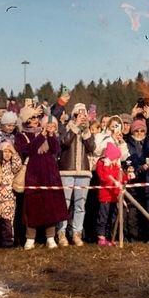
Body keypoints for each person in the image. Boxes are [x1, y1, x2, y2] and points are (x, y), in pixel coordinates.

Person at [15, 109, 68, 250]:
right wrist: (41, 137)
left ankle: (50, 237)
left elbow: (55, 149)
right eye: (32, 119)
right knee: (32, 206)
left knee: (50, 206)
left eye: (37, 118)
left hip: (50, 175)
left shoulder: (45, 132)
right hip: (33, 175)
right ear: (26, 120)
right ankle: (30, 238)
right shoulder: (21, 136)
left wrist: (50, 135)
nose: (35, 121)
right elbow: (27, 150)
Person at [57, 103, 95, 247]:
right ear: (73, 115)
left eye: (83, 115)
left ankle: (77, 233)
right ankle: (61, 233)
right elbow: (64, 143)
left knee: (80, 205)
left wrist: (85, 131)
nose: (81, 117)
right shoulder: (66, 127)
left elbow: (91, 147)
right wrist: (75, 126)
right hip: (67, 171)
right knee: (65, 204)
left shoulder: (87, 130)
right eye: (78, 115)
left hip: (84, 173)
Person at [0, 140, 22, 248]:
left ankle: (7, 241)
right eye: (4, 151)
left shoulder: (12, 166)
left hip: (9, 198)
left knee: (7, 220)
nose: (7, 154)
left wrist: (14, 153)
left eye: (9, 152)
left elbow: (18, 166)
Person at [95, 142, 125, 247]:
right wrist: (107, 167)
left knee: (112, 218)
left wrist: (128, 176)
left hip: (114, 197)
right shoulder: (101, 164)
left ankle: (110, 236)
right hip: (105, 196)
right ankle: (101, 237)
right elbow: (104, 178)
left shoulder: (116, 166)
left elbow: (120, 177)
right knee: (103, 217)